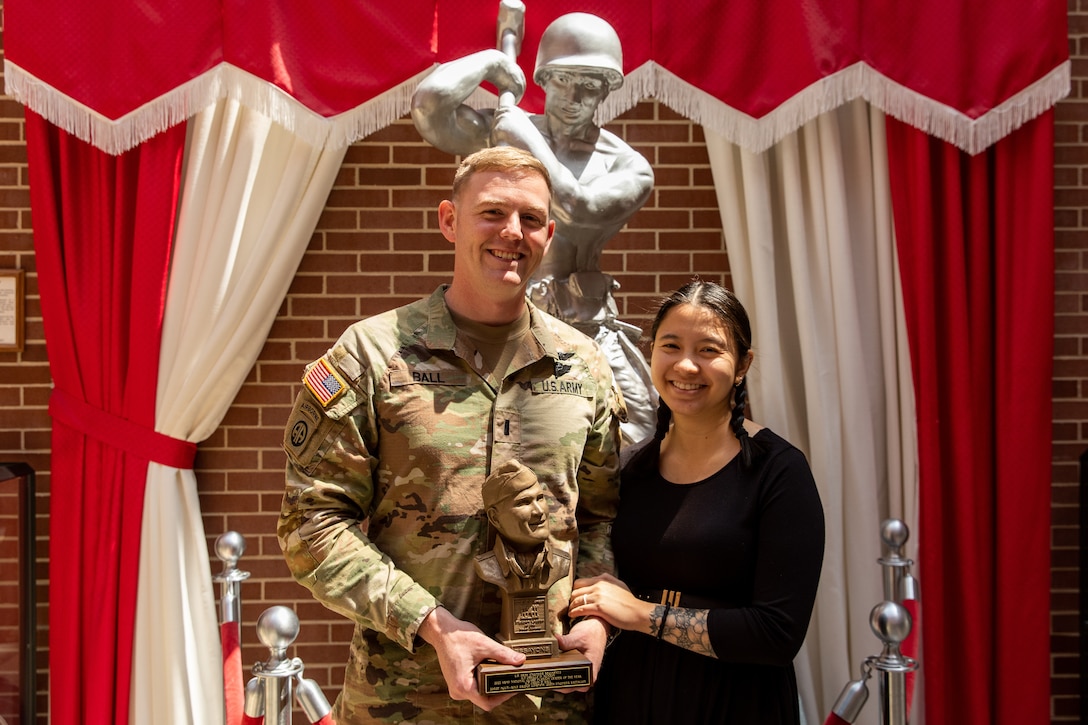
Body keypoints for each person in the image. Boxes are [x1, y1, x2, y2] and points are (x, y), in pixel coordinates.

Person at [278, 146, 622, 724]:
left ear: (550, 234)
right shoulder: (371, 355)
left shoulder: (583, 367)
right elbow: (309, 525)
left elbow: (600, 519)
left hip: (545, 703)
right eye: (492, 212)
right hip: (404, 701)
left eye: (531, 219)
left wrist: (595, 616)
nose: (512, 232)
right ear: (448, 220)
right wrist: (434, 626)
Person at [569, 280, 825, 724]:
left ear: (742, 364)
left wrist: (642, 614)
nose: (686, 365)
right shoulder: (628, 471)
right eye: (671, 345)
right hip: (631, 699)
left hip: (736, 706)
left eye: (709, 350)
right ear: (651, 352)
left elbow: (777, 633)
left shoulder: (778, 472)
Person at [411, 12, 657, 444]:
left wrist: (524, 137)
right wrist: (490, 63)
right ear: (543, 79)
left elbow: (579, 205)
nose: (573, 96)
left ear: (606, 90)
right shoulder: (505, 133)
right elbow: (428, 107)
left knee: (636, 433)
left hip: (587, 324)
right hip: (507, 320)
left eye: (589, 84)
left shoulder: (626, 164)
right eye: (563, 80)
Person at [475, 459, 570, 597]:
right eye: (524, 502)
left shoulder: (561, 562)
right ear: (495, 518)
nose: (539, 511)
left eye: (540, 498)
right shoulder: (487, 567)